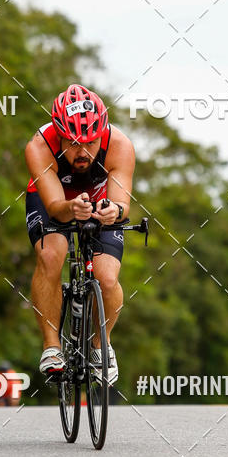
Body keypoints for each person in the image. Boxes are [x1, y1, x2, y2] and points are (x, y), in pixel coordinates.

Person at [24, 83, 135, 383]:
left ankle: (102, 345)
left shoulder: (120, 145)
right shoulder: (39, 145)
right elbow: (55, 207)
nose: (82, 152)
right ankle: (51, 346)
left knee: (107, 277)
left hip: (99, 199)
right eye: (72, 143)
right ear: (59, 134)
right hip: (56, 199)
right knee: (50, 255)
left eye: (90, 142)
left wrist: (115, 212)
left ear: (102, 134)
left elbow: (123, 204)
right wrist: (70, 208)